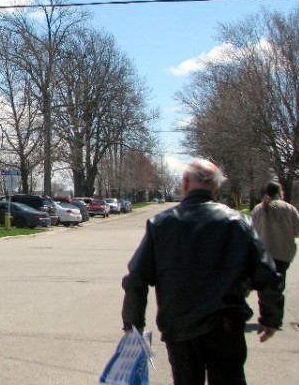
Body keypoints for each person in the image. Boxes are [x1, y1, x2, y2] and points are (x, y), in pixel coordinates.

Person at [121, 159, 284, 385]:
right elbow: (267, 274)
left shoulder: (161, 224)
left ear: (185, 182)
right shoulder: (238, 223)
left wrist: (133, 324)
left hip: (180, 328)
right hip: (226, 326)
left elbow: (136, 279)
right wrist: (271, 317)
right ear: (216, 188)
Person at [251, 181, 299, 282]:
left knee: (265, 284)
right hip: (283, 253)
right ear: (280, 192)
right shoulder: (288, 208)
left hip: (263, 254)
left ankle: (265, 297)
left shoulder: (258, 209)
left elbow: (252, 231)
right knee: (278, 283)